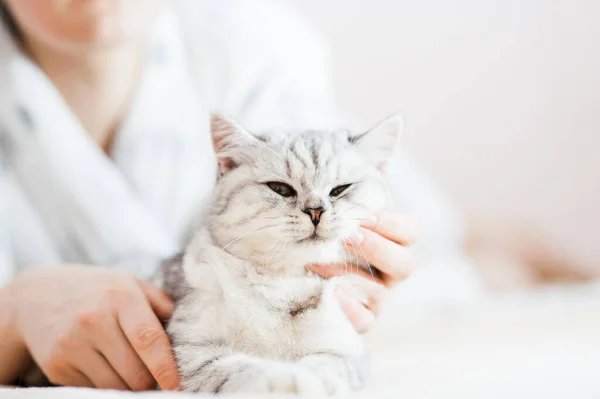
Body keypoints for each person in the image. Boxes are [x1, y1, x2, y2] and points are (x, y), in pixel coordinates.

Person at [0, 0, 473, 391]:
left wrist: (373, 262)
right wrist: (12, 318)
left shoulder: (254, 44)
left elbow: (412, 237)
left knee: (469, 260)